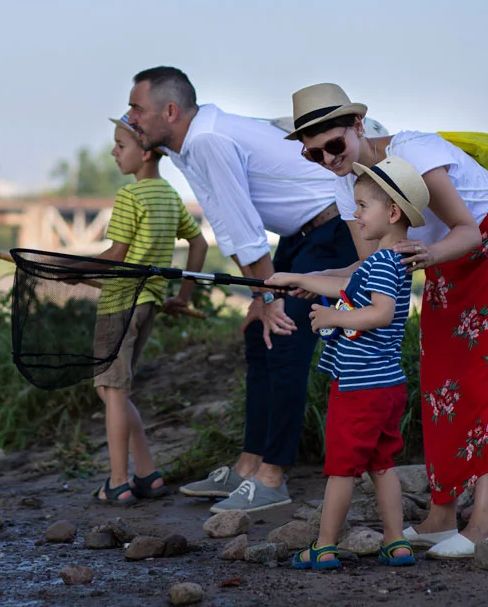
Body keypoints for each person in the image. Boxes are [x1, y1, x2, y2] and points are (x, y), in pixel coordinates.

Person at [285, 82, 488, 559]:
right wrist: (314, 278)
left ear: (358, 125)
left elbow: (467, 230)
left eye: (333, 145)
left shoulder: (415, 150)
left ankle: (483, 524)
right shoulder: (350, 187)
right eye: (312, 154)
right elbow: (372, 266)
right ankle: (442, 515)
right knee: (441, 378)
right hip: (436, 259)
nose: (326, 160)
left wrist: (426, 255)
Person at [125, 66, 358, 513]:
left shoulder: (209, 139)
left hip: (334, 229)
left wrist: (270, 300)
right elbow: (227, 225)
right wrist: (260, 298)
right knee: (260, 333)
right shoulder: (187, 148)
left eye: (137, 108)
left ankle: (274, 478)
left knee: (285, 335)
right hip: (300, 236)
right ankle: (249, 465)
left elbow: (246, 228)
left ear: (169, 111)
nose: (130, 117)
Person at [266, 155, 428, 570]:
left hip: (359, 387)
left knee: (341, 470)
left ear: (391, 212)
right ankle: (396, 542)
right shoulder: (393, 262)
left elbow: (380, 313)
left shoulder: (378, 263)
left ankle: (323, 546)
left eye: (362, 207)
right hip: (386, 385)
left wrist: (334, 317)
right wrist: (297, 279)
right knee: (382, 465)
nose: (354, 215)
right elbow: (345, 284)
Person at [92, 115, 209, 504]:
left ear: (144, 153)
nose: (113, 151)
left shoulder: (130, 196)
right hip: (150, 304)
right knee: (118, 392)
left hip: (119, 302)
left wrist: (74, 269)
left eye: (120, 145)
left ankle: (118, 481)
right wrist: (184, 296)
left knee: (111, 389)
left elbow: (117, 254)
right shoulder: (169, 196)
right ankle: (147, 473)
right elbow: (199, 246)